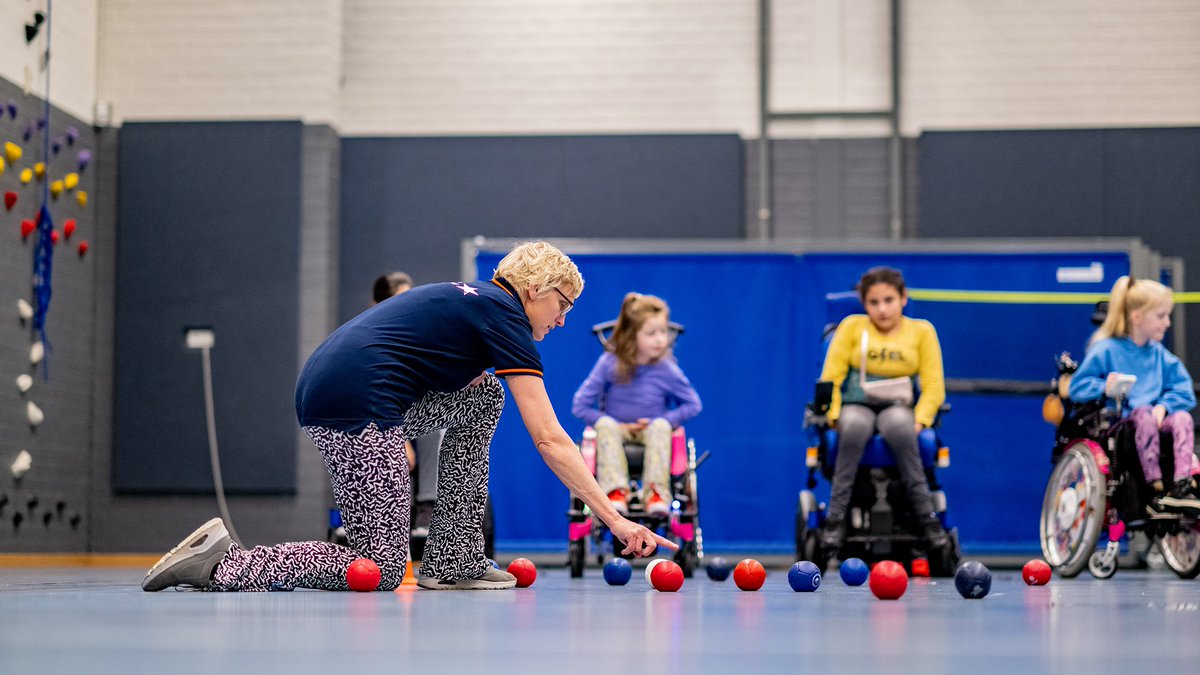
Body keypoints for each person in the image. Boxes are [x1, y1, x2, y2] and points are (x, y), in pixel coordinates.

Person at [142, 241, 676, 592]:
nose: (562, 319)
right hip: (353, 407)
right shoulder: (505, 317)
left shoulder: (473, 303)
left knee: (483, 396)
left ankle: (454, 558)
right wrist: (616, 519)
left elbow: (435, 369)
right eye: (563, 304)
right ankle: (224, 563)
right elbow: (551, 440)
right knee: (379, 568)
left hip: (344, 393)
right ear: (534, 289)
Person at [817, 267, 949, 554]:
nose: (882, 309)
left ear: (903, 298)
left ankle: (928, 520)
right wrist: (833, 415)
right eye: (874, 303)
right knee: (851, 427)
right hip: (856, 405)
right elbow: (831, 378)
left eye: (889, 300)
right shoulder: (851, 327)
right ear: (864, 304)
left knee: (902, 427)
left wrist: (922, 420)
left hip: (897, 406)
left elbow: (933, 386)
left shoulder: (922, 331)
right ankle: (835, 521)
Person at [1067, 275, 1199, 510]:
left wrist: (1164, 407)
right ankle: (1153, 484)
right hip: (1124, 428)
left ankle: (1182, 483)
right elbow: (1077, 388)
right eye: (1160, 316)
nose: (1167, 323)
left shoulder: (1161, 356)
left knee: (1182, 418)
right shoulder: (1106, 350)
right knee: (1143, 413)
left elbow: (1184, 391)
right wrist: (1105, 387)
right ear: (1137, 317)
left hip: (1157, 423)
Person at [571, 293, 702, 516]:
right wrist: (611, 423)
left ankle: (656, 494)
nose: (660, 339)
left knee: (661, 427)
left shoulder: (667, 368)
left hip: (651, 432)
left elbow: (693, 404)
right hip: (617, 432)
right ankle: (615, 493)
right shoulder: (609, 363)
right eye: (651, 333)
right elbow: (580, 405)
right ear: (632, 336)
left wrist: (662, 421)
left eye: (663, 331)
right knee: (605, 426)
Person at [370, 270, 441, 537]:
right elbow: (377, 395)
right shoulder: (373, 340)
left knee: (436, 428)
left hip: (410, 418)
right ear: (381, 305)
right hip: (376, 418)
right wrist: (399, 440)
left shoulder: (417, 339)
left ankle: (427, 505)